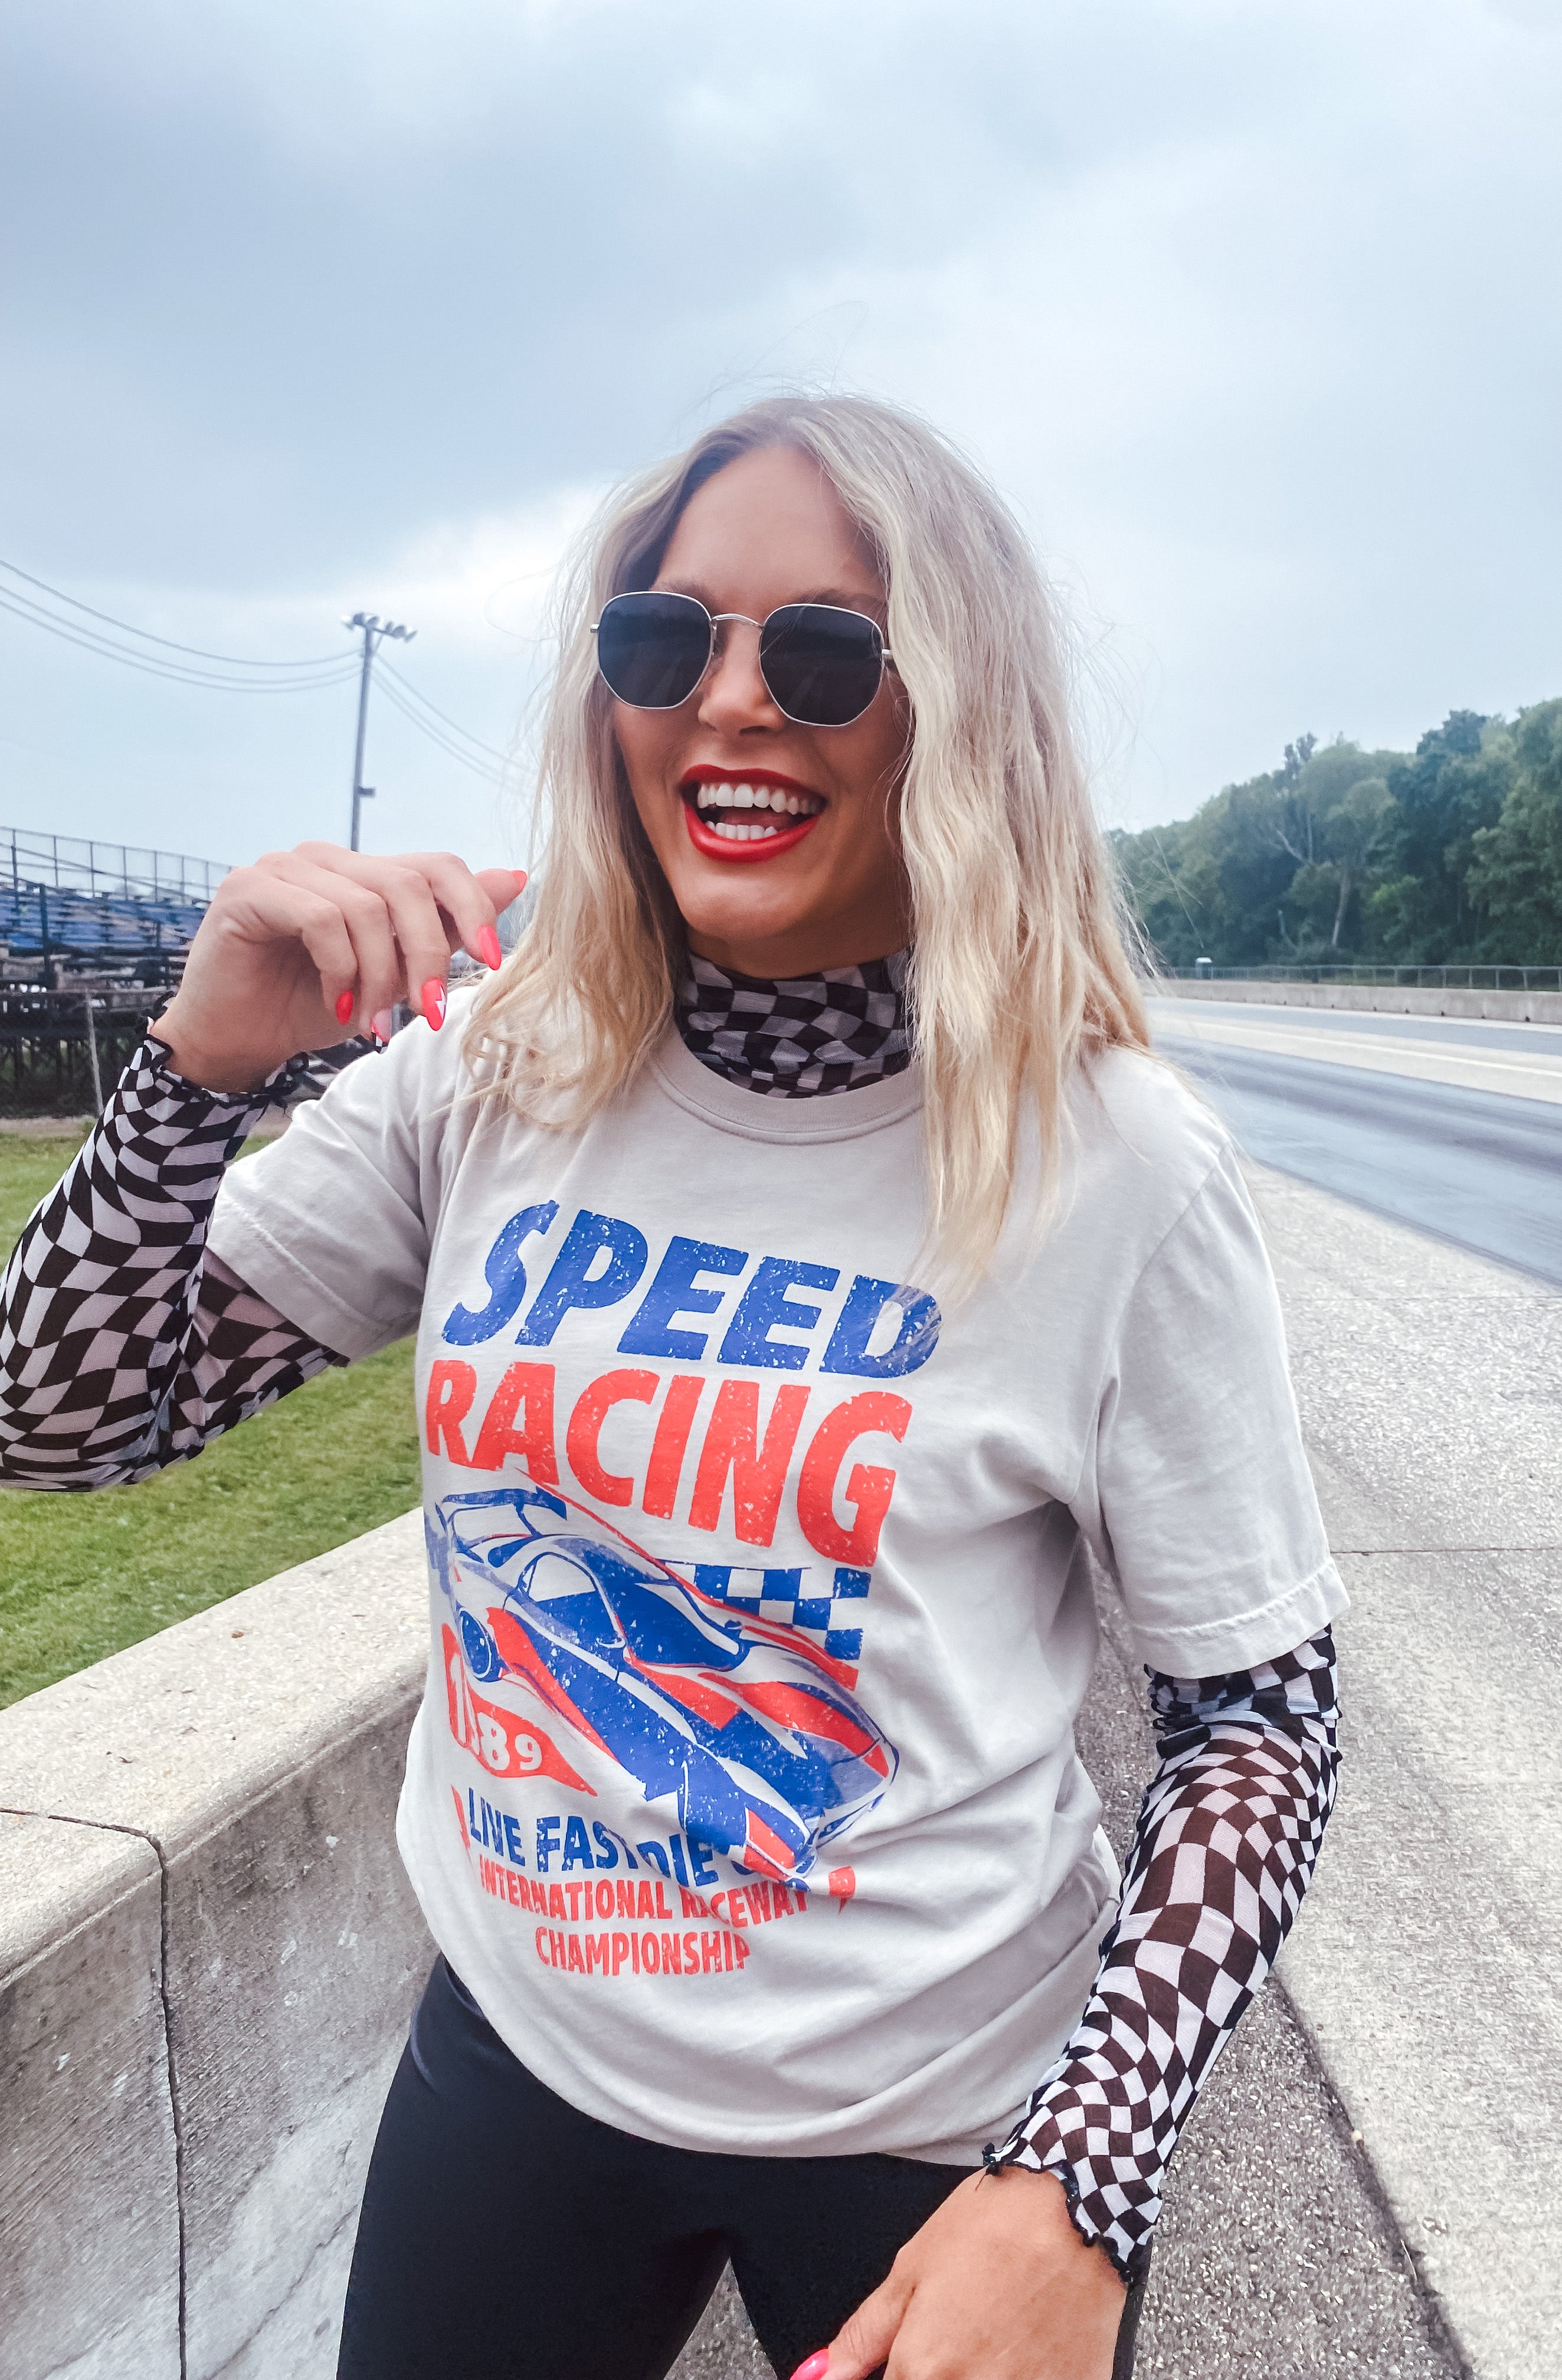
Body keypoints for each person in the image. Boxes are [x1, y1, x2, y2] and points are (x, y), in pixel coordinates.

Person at [0, 397, 1343, 2380]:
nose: (728, 702)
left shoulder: (1119, 1167)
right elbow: (52, 1425)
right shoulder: (494, 1070)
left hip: (936, 2119)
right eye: (662, 638)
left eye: (823, 652)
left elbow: (1260, 1724)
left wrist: (1081, 2179)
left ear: (958, 712)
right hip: (524, 2059)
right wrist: (197, 1073)